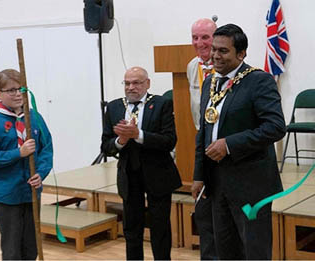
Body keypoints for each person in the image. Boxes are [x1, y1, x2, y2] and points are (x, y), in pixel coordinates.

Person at [191, 24, 286, 260]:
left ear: (241, 54)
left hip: (250, 185)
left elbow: (275, 127)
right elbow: (204, 131)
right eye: (213, 49)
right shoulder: (209, 83)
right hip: (217, 183)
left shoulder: (259, 81)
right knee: (225, 251)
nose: (215, 56)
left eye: (223, 51)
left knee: (254, 251)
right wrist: (198, 175)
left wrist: (229, 144)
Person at [101, 66, 182, 260]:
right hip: (129, 175)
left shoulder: (162, 104)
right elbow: (105, 145)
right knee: (132, 228)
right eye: (127, 83)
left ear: (147, 84)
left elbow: (169, 140)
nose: (131, 87)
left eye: (136, 83)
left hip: (158, 174)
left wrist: (139, 135)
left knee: (160, 227)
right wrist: (121, 141)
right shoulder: (114, 107)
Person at [0, 69, 53, 260]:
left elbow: (47, 149)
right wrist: (18, 153)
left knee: (31, 247)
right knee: (12, 250)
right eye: (11, 90)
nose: (17, 94)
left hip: (31, 194)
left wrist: (41, 173)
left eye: (20, 88)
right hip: (7, 195)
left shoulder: (34, 117)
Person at [186, 17, 217, 260]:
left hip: (225, 146)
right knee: (203, 211)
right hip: (202, 143)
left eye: (205, 37)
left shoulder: (227, 65)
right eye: (195, 37)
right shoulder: (190, 67)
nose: (199, 42)